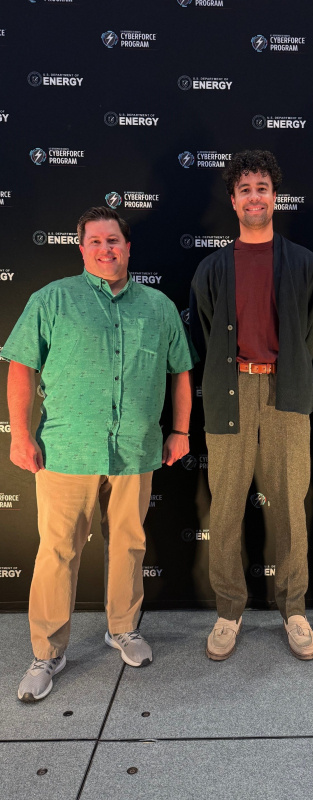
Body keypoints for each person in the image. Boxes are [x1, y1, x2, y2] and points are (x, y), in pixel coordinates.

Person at [4, 206, 196, 702]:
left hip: (134, 451)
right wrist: (20, 435)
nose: (106, 249)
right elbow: (22, 367)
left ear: (128, 248)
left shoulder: (158, 307)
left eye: (114, 241)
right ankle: (47, 652)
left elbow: (180, 373)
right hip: (66, 451)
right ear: (81, 247)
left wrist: (180, 430)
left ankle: (122, 629)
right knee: (58, 552)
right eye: (95, 241)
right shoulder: (52, 300)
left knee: (129, 545)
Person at [190, 150, 313, 661]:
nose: (254, 196)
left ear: (275, 197)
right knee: (224, 508)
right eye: (245, 188)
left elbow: (311, 331)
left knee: (291, 505)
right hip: (231, 393)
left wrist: (283, 367)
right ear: (233, 200)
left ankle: (294, 608)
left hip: (287, 394)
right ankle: (229, 611)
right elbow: (205, 331)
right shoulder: (211, 267)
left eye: (262, 187)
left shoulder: (305, 263)